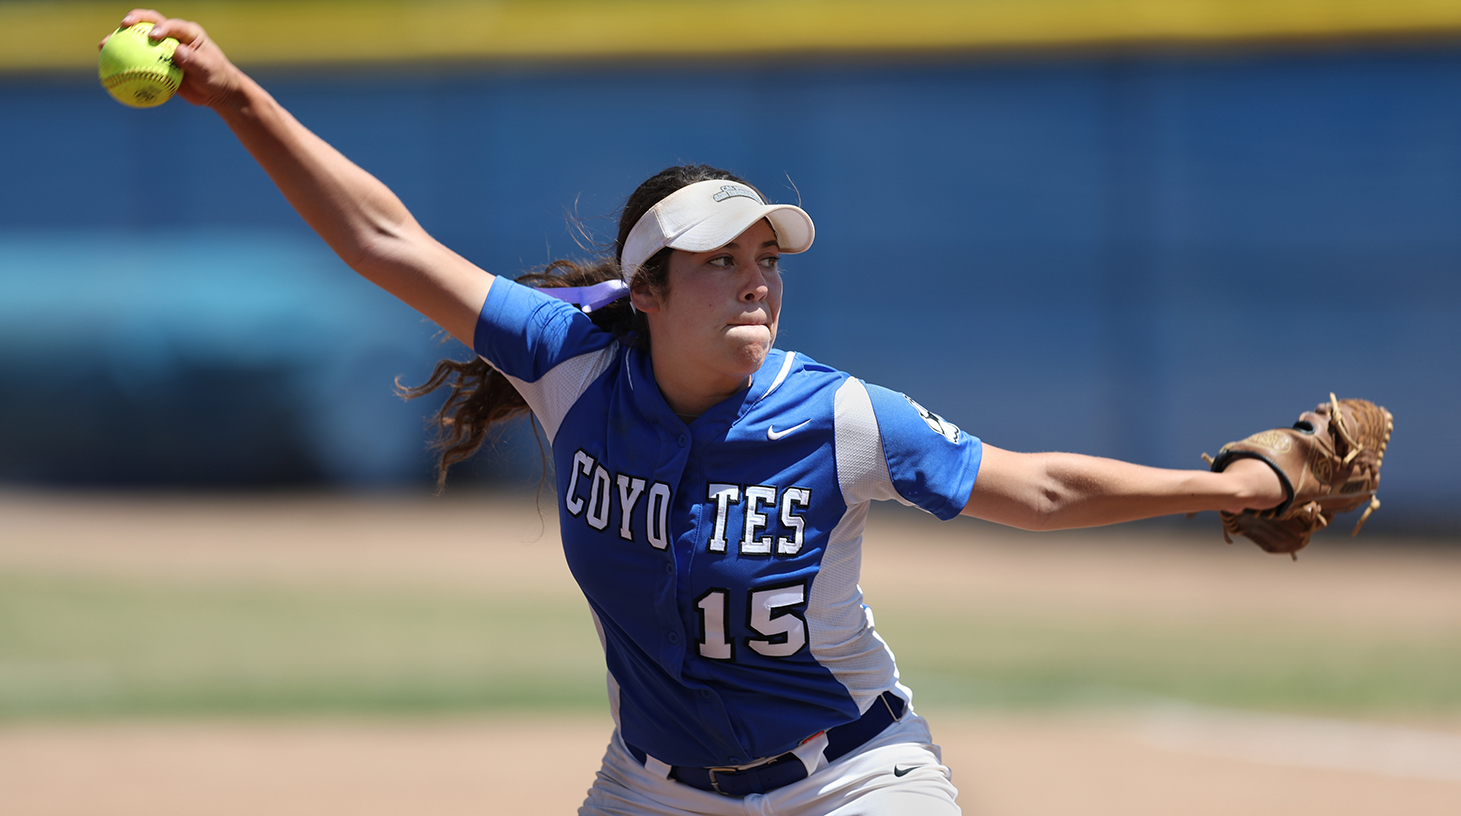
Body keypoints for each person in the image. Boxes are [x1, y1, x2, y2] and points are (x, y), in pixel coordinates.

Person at [106, 10, 1287, 814]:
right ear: (650, 290)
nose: (756, 277)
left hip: (851, 778)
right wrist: (234, 93)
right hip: (653, 785)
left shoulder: (840, 418)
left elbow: (1038, 488)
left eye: (767, 255)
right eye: (720, 259)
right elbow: (384, 239)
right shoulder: (567, 360)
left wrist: (1231, 486)